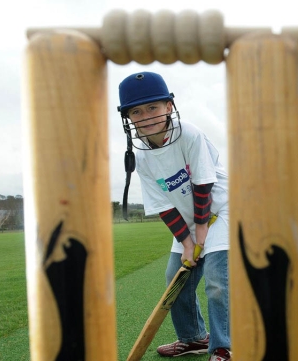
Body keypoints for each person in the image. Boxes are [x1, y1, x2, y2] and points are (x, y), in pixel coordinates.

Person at [118, 71, 231, 360]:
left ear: (169, 106)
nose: (146, 116)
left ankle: (222, 347)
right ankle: (194, 338)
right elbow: (162, 205)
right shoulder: (140, 156)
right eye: (137, 111)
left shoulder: (189, 134)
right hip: (190, 217)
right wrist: (187, 242)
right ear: (128, 117)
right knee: (175, 279)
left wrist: (201, 232)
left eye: (153, 107)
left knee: (217, 281)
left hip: (223, 208)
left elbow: (203, 183)